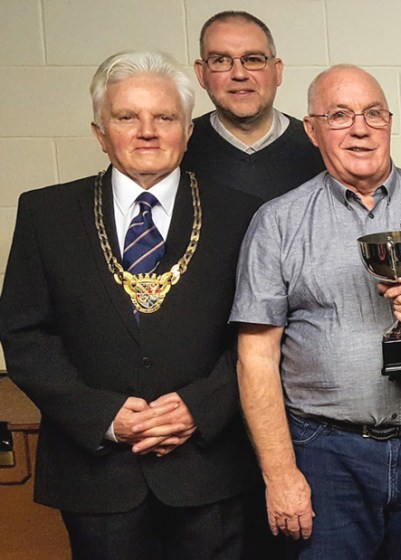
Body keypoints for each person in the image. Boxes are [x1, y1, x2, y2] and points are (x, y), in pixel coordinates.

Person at [230, 64, 401, 560]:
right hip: (327, 453)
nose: (360, 129)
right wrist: (280, 474)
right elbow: (256, 359)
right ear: (312, 129)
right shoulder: (278, 222)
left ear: (390, 122)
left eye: (373, 113)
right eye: (340, 115)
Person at [0, 50, 260, 560]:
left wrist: (200, 407)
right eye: (126, 117)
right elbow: (25, 335)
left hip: (209, 469)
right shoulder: (45, 213)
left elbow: (259, 334)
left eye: (164, 117)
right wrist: (104, 416)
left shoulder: (242, 215)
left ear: (187, 130)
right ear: (100, 133)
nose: (147, 132)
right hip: (96, 475)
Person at [185, 10, 324, 200]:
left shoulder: (320, 147)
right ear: (201, 73)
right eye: (221, 60)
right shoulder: (177, 149)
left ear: (277, 71)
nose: (239, 74)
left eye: (253, 59)